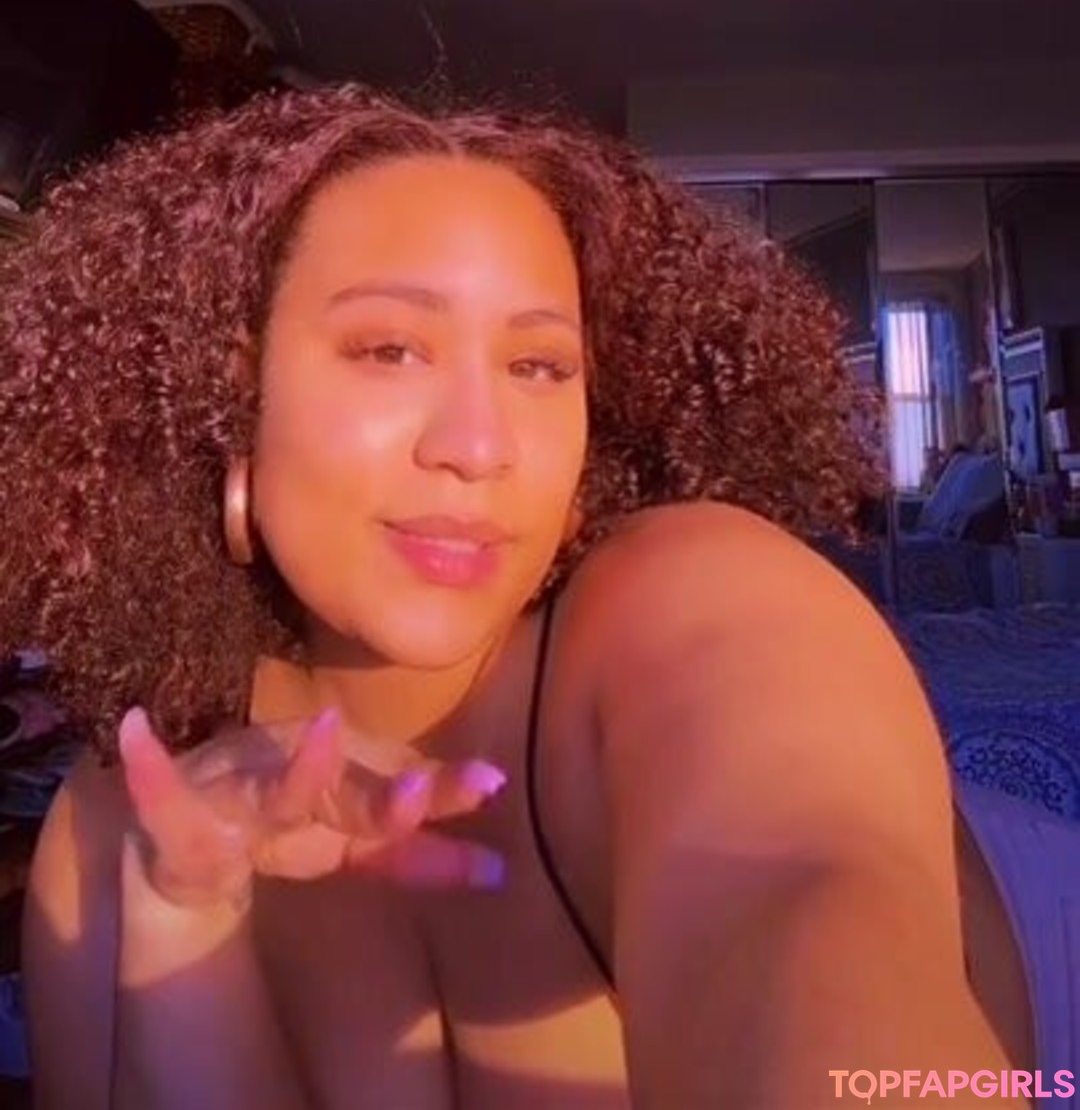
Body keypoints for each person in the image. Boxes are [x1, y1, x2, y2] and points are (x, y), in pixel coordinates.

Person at [0, 84, 1027, 1107]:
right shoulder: (112, 826)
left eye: (538, 365)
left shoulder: (698, 608)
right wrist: (182, 908)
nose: (480, 445)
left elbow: (802, 905)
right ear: (234, 389)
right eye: (390, 349)